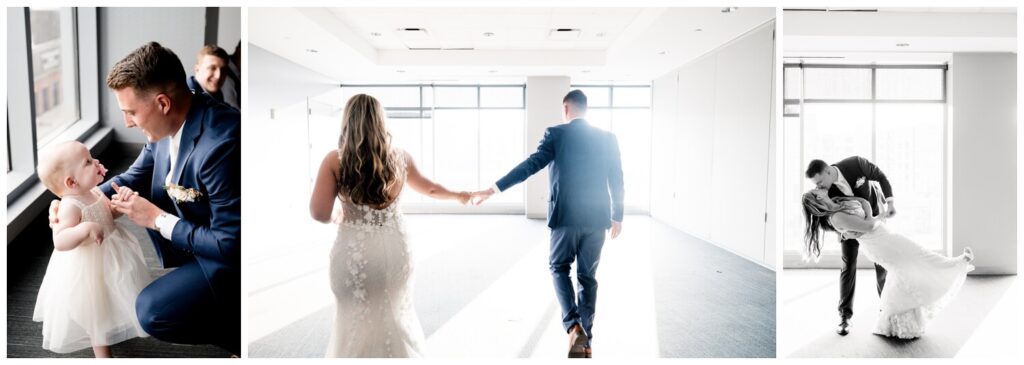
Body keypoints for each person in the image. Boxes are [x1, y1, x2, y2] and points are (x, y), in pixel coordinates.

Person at [50, 41, 241, 355]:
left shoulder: (222, 144)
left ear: (163, 103)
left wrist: (157, 219)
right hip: (196, 240)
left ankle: (238, 338)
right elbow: (130, 178)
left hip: (228, 259)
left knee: (153, 311)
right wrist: (76, 202)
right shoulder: (166, 125)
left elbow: (231, 243)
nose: (127, 123)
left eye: (130, 113)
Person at [309, 93, 471, 357]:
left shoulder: (334, 160)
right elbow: (429, 189)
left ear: (347, 121)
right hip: (395, 249)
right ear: (381, 121)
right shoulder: (400, 157)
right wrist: (458, 195)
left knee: (353, 317)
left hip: (353, 253)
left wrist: (336, 216)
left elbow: (318, 212)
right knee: (395, 313)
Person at [471, 89, 624, 358]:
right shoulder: (607, 138)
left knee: (558, 267)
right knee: (588, 278)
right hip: (597, 220)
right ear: (586, 109)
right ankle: (586, 337)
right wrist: (617, 215)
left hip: (565, 218)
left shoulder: (557, 134)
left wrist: (493, 189)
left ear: (566, 109)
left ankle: (573, 325)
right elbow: (617, 178)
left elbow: (529, 166)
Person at [802, 182, 974, 339]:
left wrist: (869, 216)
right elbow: (869, 226)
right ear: (818, 198)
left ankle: (895, 323)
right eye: (815, 189)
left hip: (884, 235)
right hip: (879, 244)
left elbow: (864, 202)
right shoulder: (836, 217)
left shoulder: (839, 201)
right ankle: (956, 264)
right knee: (915, 258)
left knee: (908, 266)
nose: (817, 186)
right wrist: (873, 219)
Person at [35, 141, 152, 357]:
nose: (96, 162)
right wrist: (85, 228)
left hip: (112, 251)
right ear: (71, 182)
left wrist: (118, 206)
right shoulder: (70, 206)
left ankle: (117, 325)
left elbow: (106, 214)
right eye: (88, 162)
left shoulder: (94, 191)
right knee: (95, 311)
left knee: (116, 294)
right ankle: (102, 355)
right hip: (89, 264)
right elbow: (60, 240)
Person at [805, 156, 893, 335]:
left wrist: (890, 203)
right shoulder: (823, 191)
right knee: (848, 264)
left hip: (873, 215)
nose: (819, 186)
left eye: (820, 181)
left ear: (828, 170)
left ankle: (886, 310)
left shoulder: (855, 164)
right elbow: (825, 218)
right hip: (850, 226)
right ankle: (845, 317)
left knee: (882, 264)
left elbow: (881, 177)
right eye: (816, 184)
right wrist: (842, 231)